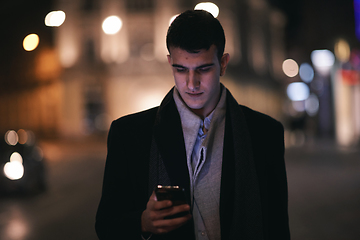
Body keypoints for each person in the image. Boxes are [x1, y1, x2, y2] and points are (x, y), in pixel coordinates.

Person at [95, 9, 290, 240]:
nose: (191, 83)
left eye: (203, 69)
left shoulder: (265, 133)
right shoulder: (129, 135)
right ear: (170, 63)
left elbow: (277, 228)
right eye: (181, 69)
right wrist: (143, 222)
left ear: (223, 64)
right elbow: (106, 225)